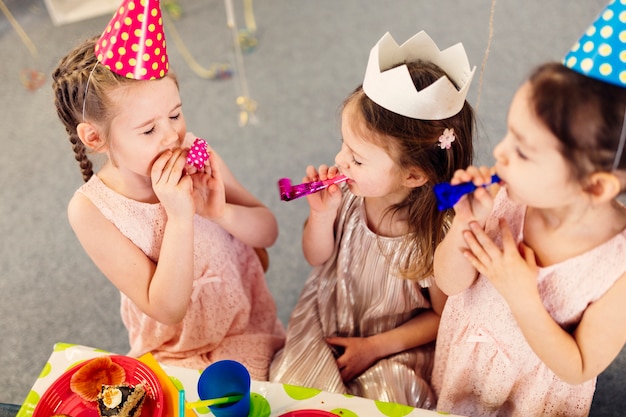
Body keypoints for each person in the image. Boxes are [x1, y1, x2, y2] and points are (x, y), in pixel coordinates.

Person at [50, 0, 284, 380]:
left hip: (248, 328)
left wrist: (220, 212)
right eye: (148, 130)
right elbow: (167, 309)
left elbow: (268, 233)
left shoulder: (196, 151)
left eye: (175, 114)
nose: (172, 134)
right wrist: (179, 217)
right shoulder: (91, 210)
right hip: (172, 351)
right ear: (95, 137)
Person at [432, 3, 626, 414]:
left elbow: (579, 366)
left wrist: (521, 294)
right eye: (509, 136)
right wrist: (467, 220)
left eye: (522, 150)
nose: (499, 153)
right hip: (466, 368)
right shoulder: (509, 199)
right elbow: (448, 284)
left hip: (533, 399)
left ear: (594, 186)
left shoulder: (619, 265)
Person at [270, 31, 476, 408]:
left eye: (357, 158)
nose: (340, 160)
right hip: (330, 316)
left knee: (394, 401)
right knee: (292, 391)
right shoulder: (350, 195)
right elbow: (316, 259)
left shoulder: (436, 234)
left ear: (413, 175)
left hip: (396, 341)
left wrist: (373, 348)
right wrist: (321, 215)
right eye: (344, 145)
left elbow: (441, 316)